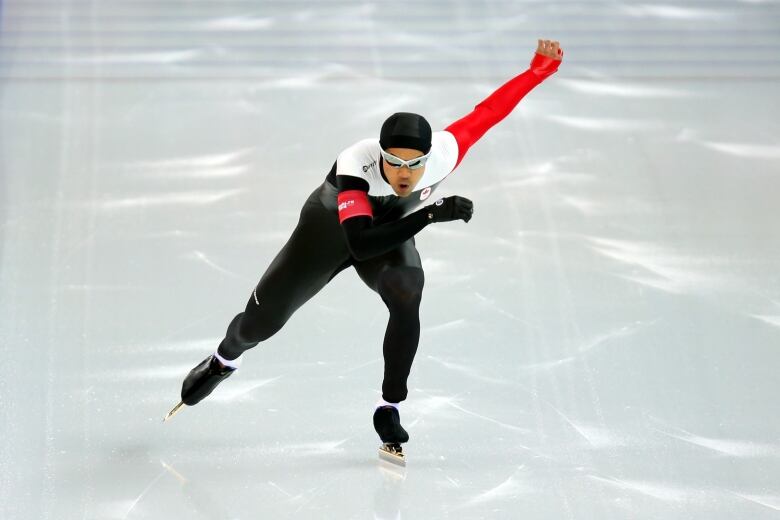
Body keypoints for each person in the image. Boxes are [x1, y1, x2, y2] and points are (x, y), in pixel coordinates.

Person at [170, 39, 564, 458]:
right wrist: (429, 215)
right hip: (328, 234)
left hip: (389, 234)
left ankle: (389, 406)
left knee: (407, 292)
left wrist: (538, 71)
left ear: (430, 157)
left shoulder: (446, 153)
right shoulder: (356, 164)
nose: (404, 174)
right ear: (380, 155)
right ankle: (223, 360)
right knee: (259, 325)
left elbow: (489, 112)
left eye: (415, 164)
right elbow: (358, 242)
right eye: (394, 162)